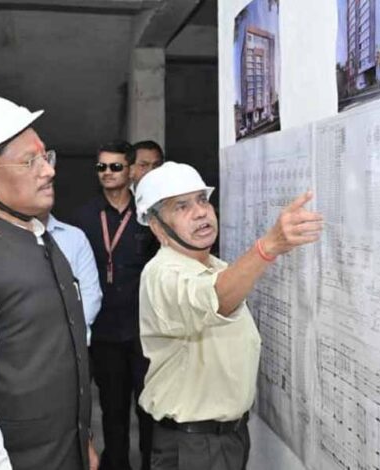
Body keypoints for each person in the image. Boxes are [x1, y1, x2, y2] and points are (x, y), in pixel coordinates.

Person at [134, 162, 324, 470]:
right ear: (156, 227)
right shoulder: (161, 274)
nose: (200, 212)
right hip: (193, 447)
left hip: (224, 439)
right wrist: (268, 246)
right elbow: (214, 300)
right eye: (182, 206)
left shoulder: (217, 267)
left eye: (202, 200)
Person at [0, 94, 96, 470]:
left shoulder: (41, 238)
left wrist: (83, 441)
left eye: (46, 157)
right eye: (30, 161)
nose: (48, 171)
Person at [73, 141, 156, 470]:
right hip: (104, 332)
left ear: (131, 170)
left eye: (115, 167)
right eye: (101, 167)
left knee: (149, 408)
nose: (107, 173)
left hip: (144, 331)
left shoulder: (148, 215)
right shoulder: (83, 217)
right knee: (112, 410)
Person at [38, 211, 102, 345]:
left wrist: (67, 333)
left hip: (73, 344)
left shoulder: (75, 236)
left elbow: (90, 294)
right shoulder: (6, 239)